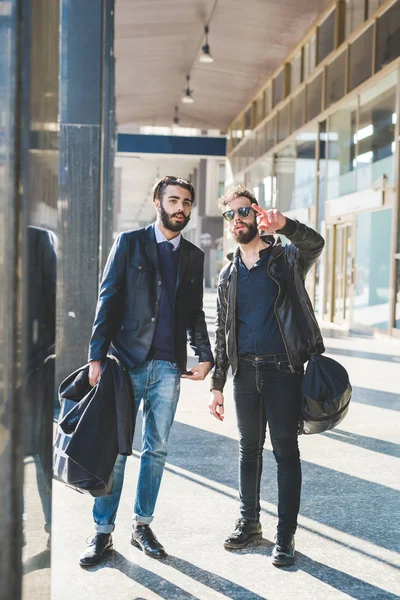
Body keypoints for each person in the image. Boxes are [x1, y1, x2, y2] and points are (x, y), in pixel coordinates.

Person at [79, 175, 213, 567]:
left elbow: (194, 312)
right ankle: (103, 533)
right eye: (173, 200)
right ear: (157, 201)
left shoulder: (193, 255)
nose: (180, 208)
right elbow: (107, 299)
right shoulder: (129, 243)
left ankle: (142, 525)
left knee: (157, 449)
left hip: (170, 366)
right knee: (117, 449)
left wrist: (205, 355)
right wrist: (96, 357)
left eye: (186, 202)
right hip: (126, 362)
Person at [209, 185, 324, 567]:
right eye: (231, 215)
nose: (238, 219)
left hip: (283, 370)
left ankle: (285, 535)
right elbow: (223, 329)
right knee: (248, 451)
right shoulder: (228, 274)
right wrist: (217, 384)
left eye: (244, 212)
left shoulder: (286, 257)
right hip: (245, 374)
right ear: (227, 224)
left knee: (286, 453)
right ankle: (249, 523)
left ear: (257, 215)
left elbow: (315, 244)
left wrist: (287, 224)